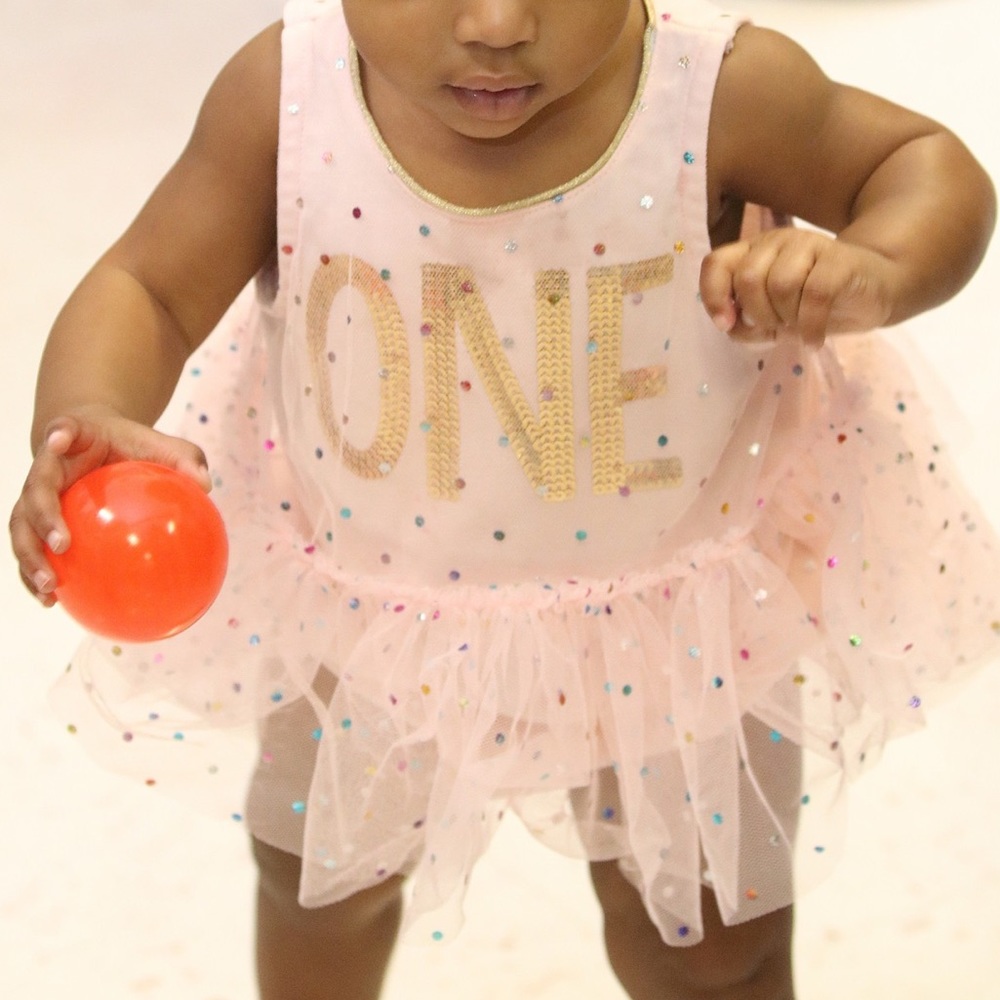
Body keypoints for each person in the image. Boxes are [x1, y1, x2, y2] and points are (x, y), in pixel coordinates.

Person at [9, 0, 999, 997]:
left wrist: (877, 266)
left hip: (677, 627)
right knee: (320, 878)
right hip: (369, 616)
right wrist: (89, 411)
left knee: (711, 942)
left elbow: (917, 162)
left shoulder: (720, 95)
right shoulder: (285, 96)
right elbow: (148, 284)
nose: (495, 23)